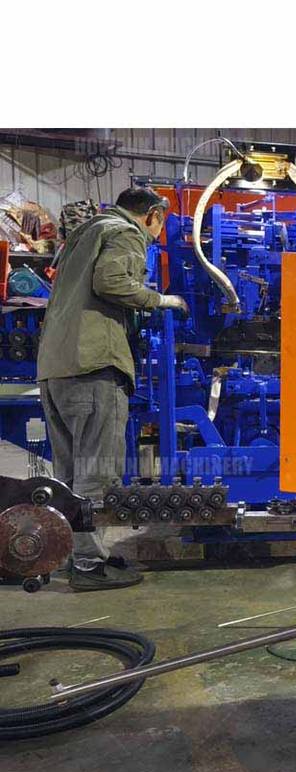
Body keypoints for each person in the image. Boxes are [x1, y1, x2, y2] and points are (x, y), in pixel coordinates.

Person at [37, 186, 189, 591]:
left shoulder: (86, 232)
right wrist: (161, 300)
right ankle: (89, 564)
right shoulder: (125, 232)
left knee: (69, 473)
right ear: (152, 214)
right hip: (94, 365)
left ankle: (75, 553)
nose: (157, 233)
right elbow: (111, 281)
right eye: (160, 224)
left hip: (55, 367)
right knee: (97, 472)